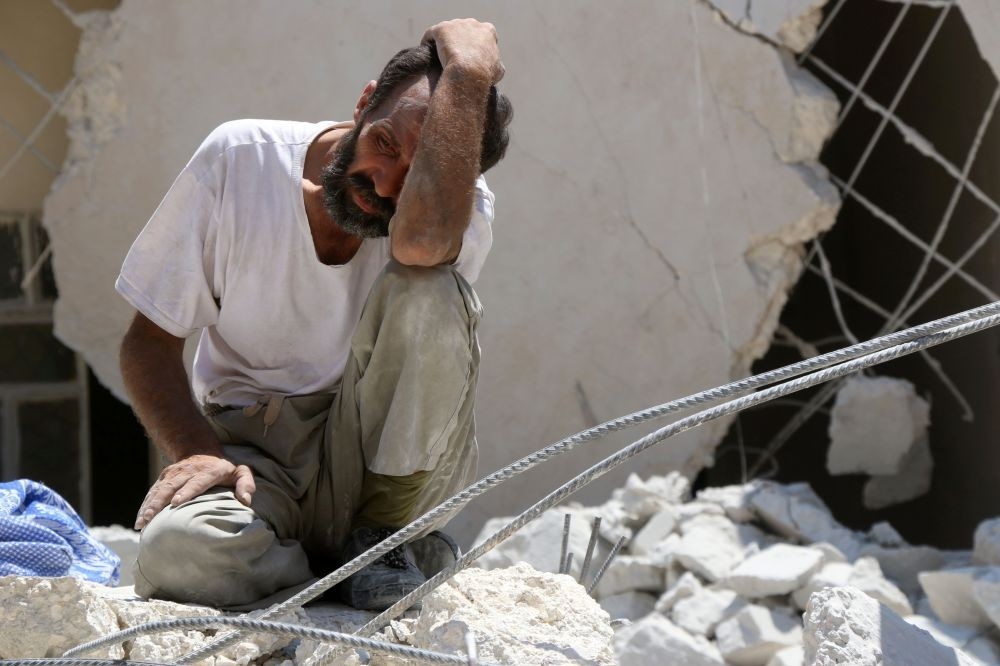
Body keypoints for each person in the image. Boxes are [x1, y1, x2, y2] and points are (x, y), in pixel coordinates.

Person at [115, 18, 512, 611]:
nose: (384, 183)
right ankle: (339, 568)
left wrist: (470, 71)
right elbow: (148, 341)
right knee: (177, 552)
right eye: (384, 143)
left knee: (428, 291)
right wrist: (198, 450)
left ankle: (383, 541)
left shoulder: (455, 211)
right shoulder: (240, 160)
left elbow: (421, 244)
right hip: (256, 455)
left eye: (416, 173)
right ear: (361, 104)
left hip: (382, 472)